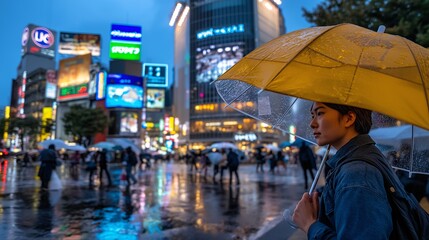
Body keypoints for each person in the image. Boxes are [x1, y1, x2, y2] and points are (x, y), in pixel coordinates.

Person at [292, 102, 400, 239]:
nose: (312, 123)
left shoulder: (357, 175)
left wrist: (310, 225)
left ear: (348, 118)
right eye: (312, 115)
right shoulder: (361, 160)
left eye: (319, 113)